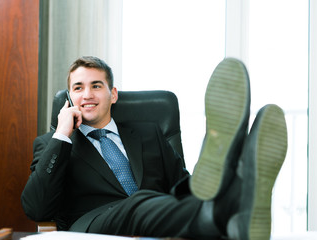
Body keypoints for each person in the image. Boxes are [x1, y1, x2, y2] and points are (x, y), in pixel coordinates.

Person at [21, 56, 288, 240]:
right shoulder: (53, 143)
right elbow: (36, 209)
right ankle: (236, 197)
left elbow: (183, 185)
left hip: (160, 219)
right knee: (138, 201)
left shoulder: (149, 133)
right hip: (91, 228)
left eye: (96, 86)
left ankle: (232, 188)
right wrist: (61, 135)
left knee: (190, 194)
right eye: (78, 88)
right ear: (69, 99)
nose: (87, 94)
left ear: (113, 94)